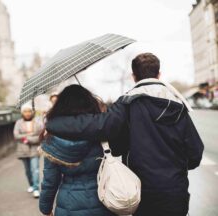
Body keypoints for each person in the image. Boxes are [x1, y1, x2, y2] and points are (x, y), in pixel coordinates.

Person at [45, 53, 204, 216]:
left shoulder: (126, 104)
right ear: (159, 74)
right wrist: (174, 170)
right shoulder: (178, 105)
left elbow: (101, 129)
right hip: (175, 191)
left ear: (133, 76)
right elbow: (195, 153)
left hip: (140, 190)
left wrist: (53, 123)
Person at [39, 85, 116, 216]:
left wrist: (45, 209)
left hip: (68, 204)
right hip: (104, 199)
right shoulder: (102, 131)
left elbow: (50, 181)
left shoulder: (52, 137)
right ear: (90, 103)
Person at [13, 104, 43, 198]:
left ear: (32, 112)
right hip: (23, 149)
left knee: (35, 170)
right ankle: (31, 184)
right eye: (25, 111)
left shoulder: (37, 122)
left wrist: (27, 138)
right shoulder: (18, 122)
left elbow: (40, 136)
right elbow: (16, 135)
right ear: (22, 112)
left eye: (29, 111)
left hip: (35, 149)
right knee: (28, 170)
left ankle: (36, 188)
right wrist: (30, 135)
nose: (27, 113)